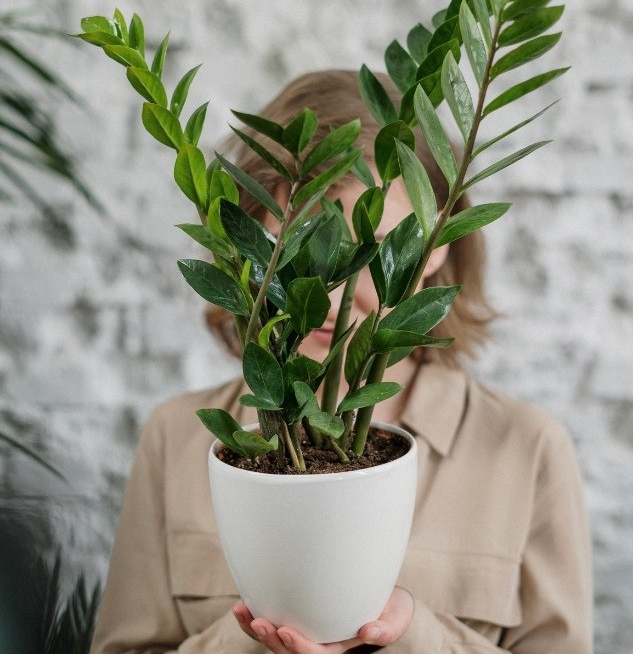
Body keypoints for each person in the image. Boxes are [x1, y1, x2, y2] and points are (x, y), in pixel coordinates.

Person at [90, 70, 592, 654]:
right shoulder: (176, 438)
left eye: (372, 250)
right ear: (246, 245)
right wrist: (256, 635)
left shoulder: (526, 450)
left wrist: (409, 636)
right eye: (300, 248)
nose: (329, 296)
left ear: (438, 247)